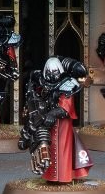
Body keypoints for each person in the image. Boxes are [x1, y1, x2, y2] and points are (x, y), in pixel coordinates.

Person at [18, 56, 93, 184]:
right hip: (44, 118)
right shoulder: (40, 80)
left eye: (54, 72)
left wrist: (52, 114)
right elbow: (34, 97)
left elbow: (65, 107)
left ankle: (63, 177)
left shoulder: (67, 84)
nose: (52, 75)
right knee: (43, 143)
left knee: (62, 148)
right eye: (49, 72)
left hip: (61, 123)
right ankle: (50, 175)